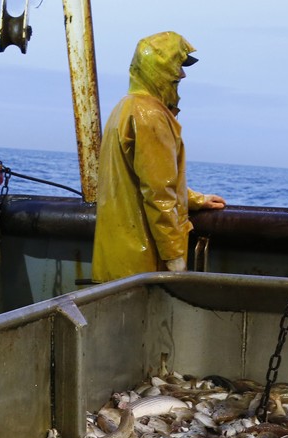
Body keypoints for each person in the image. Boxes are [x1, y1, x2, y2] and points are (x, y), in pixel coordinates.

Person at [92, 31, 226, 283]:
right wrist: (175, 258)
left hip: (114, 260)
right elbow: (158, 193)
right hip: (141, 267)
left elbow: (143, 180)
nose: (182, 74)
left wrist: (194, 199)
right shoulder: (151, 116)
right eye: (178, 66)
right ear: (159, 68)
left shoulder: (124, 107)